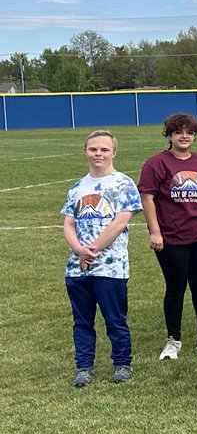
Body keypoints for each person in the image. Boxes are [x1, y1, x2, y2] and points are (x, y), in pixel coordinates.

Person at [139, 113, 197, 360]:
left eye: (189, 132)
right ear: (170, 135)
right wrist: (155, 232)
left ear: (194, 136)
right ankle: (173, 340)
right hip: (172, 237)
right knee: (175, 288)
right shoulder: (156, 163)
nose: (184, 136)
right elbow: (147, 198)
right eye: (178, 132)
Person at [62, 130, 142, 387]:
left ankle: (121, 362)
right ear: (85, 151)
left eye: (104, 150)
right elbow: (68, 224)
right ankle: (84, 366)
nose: (98, 154)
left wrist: (92, 249)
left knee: (114, 319)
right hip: (78, 268)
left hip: (111, 267)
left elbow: (120, 222)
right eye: (94, 149)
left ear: (113, 153)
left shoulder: (123, 184)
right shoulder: (77, 187)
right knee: (82, 321)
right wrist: (79, 250)